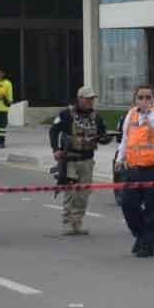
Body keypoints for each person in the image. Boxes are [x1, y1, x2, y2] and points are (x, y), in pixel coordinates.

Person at [115, 84, 154, 257]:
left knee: (153, 210)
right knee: (128, 204)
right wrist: (120, 158)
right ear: (135, 99)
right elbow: (126, 139)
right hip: (134, 168)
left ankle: (147, 246)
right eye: (141, 97)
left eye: (148, 97)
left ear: (153, 99)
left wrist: (149, 114)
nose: (144, 101)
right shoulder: (131, 114)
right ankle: (141, 236)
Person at [49, 86, 112, 236]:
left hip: (87, 160)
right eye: (88, 99)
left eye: (92, 99)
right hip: (70, 159)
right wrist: (56, 149)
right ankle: (67, 222)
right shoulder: (66, 114)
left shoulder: (96, 117)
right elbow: (54, 130)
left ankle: (77, 223)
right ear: (80, 99)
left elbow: (102, 135)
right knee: (70, 192)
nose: (90, 102)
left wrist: (106, 138)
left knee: (83, 193)